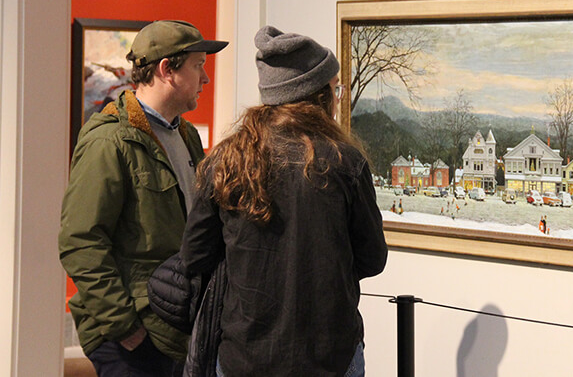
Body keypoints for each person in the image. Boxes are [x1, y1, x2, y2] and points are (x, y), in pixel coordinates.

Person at [180, 26, 388, 376]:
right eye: (335, 88)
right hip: (329, 356)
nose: (337, 98)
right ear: (319, 95)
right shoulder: (345, 163)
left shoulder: (226, 160)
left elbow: (195, 255)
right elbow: (372, 259)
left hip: (244, 357)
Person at [59, 20, 227, 376]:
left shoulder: (184, 136)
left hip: (174, 325)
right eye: (199, 66)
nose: (206, 79)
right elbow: (80, 241)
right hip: (132, 336)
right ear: (168, 69)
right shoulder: (109, 141)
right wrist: (123, 327)